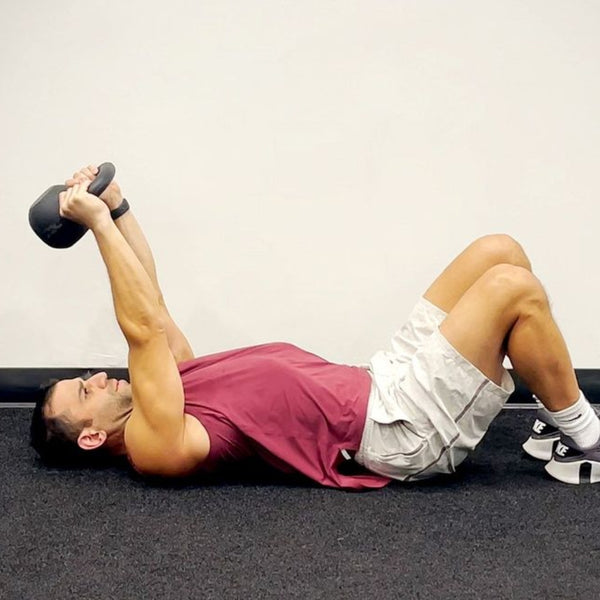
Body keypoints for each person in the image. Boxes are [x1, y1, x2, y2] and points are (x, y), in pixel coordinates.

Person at [30, 164, 600, 489]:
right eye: (86, 392)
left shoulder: (174, 392)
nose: (100, 378)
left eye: (89, 377)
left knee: (496, 250)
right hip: (398, 430)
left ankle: (554, 423)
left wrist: (119, 207)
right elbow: (143, 333)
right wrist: (98, 224)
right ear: (90, 436)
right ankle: (590, 441)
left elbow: (153, 307)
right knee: (512, 290)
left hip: (381, 380)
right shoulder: (154, 442)